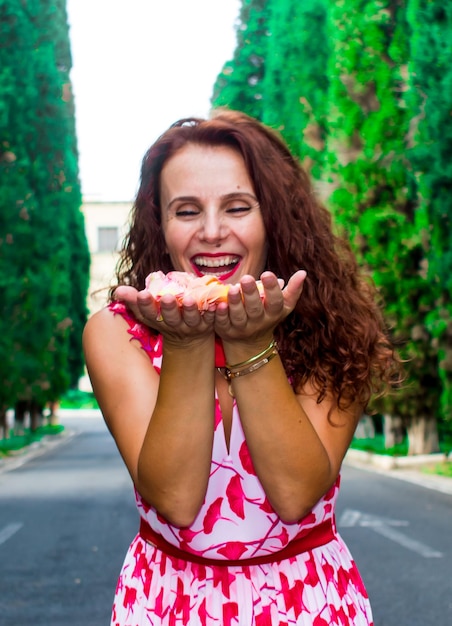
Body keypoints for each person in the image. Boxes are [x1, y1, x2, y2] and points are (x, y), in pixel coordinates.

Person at [83, 109, 400, 626]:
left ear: (273, 216)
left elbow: (296, 494)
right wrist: (188, 344)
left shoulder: (335, 324)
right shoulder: (117, 333)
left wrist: (249, 341)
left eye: (237, 207)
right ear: (159, 226)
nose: (212, 232)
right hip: (168, 603)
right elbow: (177, 503)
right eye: (186, 211)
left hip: (309, 603)